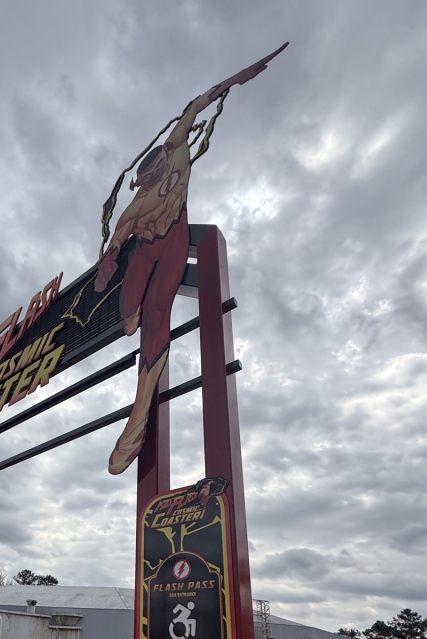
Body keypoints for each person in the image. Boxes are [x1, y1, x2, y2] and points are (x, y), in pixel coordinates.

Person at [95, 43, 287, 475]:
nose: (156, 181)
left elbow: (197, 104)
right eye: (149, 181)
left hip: (175, 237)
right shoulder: (136, 209)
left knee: (155, 315)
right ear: (143, 183)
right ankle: (129, 315)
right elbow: (115, 245)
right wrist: (108, 266)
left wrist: (237, 78)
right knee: (129, 315)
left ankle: (137, 419)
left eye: (158, 173)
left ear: (165, 161)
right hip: (145, 248)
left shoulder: (176, 148)